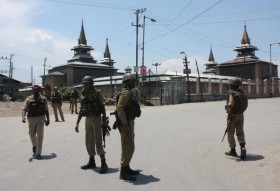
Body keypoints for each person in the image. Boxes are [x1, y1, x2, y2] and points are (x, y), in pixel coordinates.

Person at [75, 76, 108, 174]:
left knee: (98, 140)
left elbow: (102, 107)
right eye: (84, 84)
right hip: (88, 119)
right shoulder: (83, 95)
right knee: (88, 141)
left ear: (91, 84)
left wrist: (104, 121)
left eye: (86, 84)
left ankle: (103, 162)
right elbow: (81, 110)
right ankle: (91, 161)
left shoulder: (97, 94)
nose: (84, 85)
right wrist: (77, 123)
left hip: (96, 118)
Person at [116, 73, 141, 181]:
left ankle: (127, 167)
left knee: (129, 145)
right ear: (126, 82)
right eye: (132, 80)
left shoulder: (129, 92)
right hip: (125, 123)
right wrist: (125, 124)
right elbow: (120, 108)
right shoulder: (125, 93)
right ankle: (123, 172)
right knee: (127, 146)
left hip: (129, 122)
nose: (134, 82)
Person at [22, 85, 50, 159]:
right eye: (34, 89)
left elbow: (46, 110)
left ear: (39, 90)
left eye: (37, 89)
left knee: (40, 135)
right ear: (32, 90)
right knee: (31, 134)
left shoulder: (44, 99)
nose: (35, 91)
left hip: (41, 118)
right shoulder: (28, 99)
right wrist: (23, 117)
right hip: (31, 118)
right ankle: (34, 145)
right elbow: (24, 109)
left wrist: (48, 119)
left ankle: (38, 153)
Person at [225, 77, 248, 159]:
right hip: (241, 115)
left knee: (230, 133)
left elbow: (230, 105)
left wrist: (228, 117)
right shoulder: (242, 93)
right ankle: (242, 147)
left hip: (233, 115)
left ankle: (233, 150)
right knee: (240, 132)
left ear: (232, 85)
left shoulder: (232, 94)